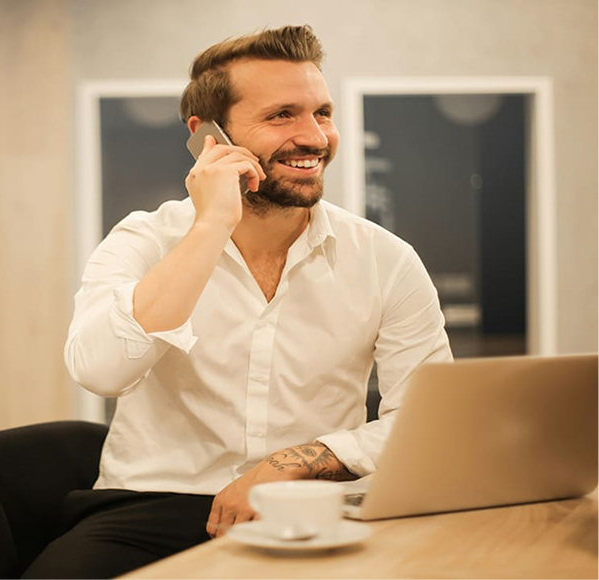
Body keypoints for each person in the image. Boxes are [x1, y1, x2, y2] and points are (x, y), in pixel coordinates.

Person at [24, 24, 452, 579]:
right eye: (282, 116)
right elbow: (101, 370)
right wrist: (210, 226)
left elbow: (423, 423)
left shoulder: (386, 260)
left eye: (321, 113)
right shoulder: (144, 240)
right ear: (210, 136)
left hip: (317, 505)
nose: (315, 137)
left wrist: (292, 464)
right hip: (152, 507)